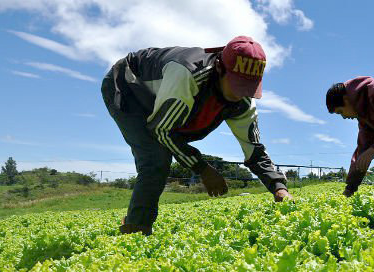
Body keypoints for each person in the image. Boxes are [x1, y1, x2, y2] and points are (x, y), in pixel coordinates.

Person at [101, 36, 291, 235]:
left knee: (170, 140)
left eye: (247, 87)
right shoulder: (187, 76)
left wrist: (279, 187)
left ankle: (134, 224)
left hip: (167, 101)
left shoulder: (243, 102)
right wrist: (202, 168)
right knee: (156, 158)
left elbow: (255, 150)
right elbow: (163, 131)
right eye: (236, 84)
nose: (240, 94)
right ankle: (136, 231)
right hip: (127, 85)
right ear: (219, 68)